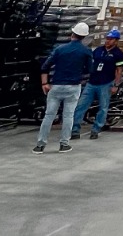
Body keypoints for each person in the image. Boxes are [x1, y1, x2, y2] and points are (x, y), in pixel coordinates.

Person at [34, 22, 93, 153]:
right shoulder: (86, 51)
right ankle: (64, 144)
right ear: (84, 37)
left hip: (56, 86)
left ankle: (40, 145)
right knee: (68, 116)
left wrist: (44, 83)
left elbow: (45, 66)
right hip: (73, 87)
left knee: (49, 115)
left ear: (72, 33)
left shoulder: (60, 49)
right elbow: (90, 70)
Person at [73, 29, 123, 140]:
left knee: (103, 108)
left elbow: (119, 70)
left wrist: (116, 85)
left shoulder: (118, 54)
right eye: (107, 38)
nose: (108, 41)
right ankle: (75, 130)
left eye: (111, 39)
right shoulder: (98, 50)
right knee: (81, 106)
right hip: (92, 83)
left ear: (116, 41)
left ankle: (96, 129)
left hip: (106, 83)